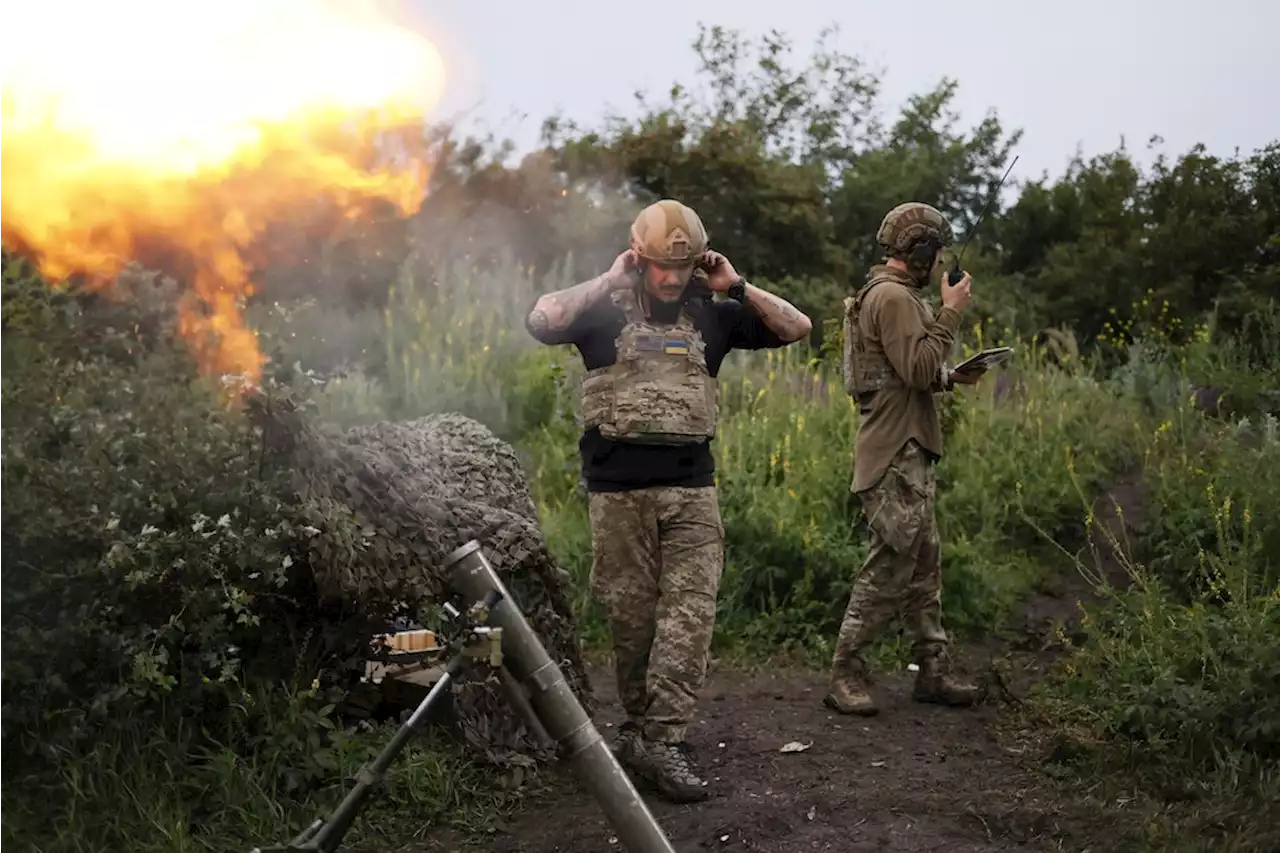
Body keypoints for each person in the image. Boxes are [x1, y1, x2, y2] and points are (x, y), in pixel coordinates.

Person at [525, 199, 812, 802]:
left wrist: (736, 285)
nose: (672, 279)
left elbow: (797, 328)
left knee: (690, 616)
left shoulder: (713, 315)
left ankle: (664, 741)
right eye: (659, 267)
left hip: (691, 491)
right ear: (640, 258)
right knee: (631, 625)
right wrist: (609, 277)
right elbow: (541, 319)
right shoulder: (603, 312)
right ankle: (637, 731)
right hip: (618, 494)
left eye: (682, 269)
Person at [824, 201, 991, 717]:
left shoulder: (892, 296)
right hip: (894, 453)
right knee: (890, 566)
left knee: (923, 567)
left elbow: (904, 373)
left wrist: (953, 375)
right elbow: (918, 369)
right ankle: (845, 673)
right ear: (917, 249)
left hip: (907, 449)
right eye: (935, 250)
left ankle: (932, 670)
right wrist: (951, 313)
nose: (940, 261)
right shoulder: (894, 298)